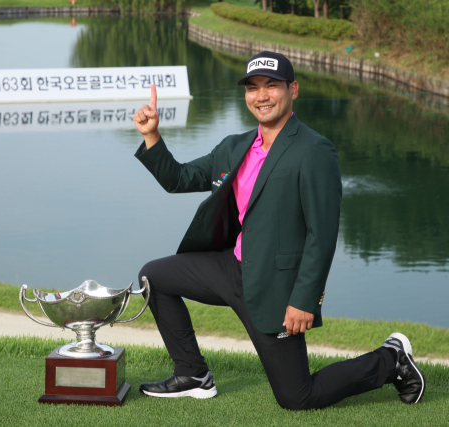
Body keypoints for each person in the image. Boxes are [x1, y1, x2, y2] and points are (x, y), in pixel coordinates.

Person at [132, 51, 425, 410]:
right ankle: (193, 374)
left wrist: (304, 300)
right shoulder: (234, 147)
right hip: (231, 269)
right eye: (253, 88)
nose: (262, 96)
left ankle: (391, 360)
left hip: (275, 287)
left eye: (272, 86)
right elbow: (178, 179)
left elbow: (323, 234)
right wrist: (152, 135)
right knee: (154, 277)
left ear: (294, 90)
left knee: (297, 397)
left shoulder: (314, 150)